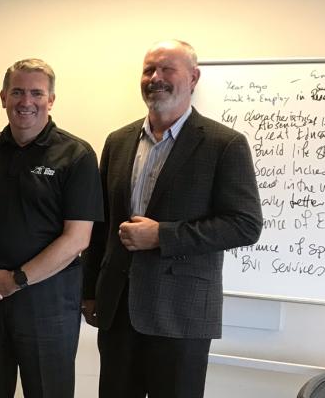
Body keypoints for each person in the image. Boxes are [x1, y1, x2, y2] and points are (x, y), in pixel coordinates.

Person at [83, 40, 262, 398]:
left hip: (182, 315)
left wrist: (163, 236)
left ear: (193, 78)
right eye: (149, 69)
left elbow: (245, 223)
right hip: (118, 311)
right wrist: (89, 292)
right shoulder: (117, 141)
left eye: (167, 69)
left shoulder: (223, 143)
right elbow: (99, 225)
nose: (155, 78)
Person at [0, 58, 102, 398]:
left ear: (51, 100)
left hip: (49, 306)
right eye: (18, 92)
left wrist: (17, 280)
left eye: (37, 93)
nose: (26, 102)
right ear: (3, 97)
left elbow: (77, 238)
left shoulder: (76, 155)